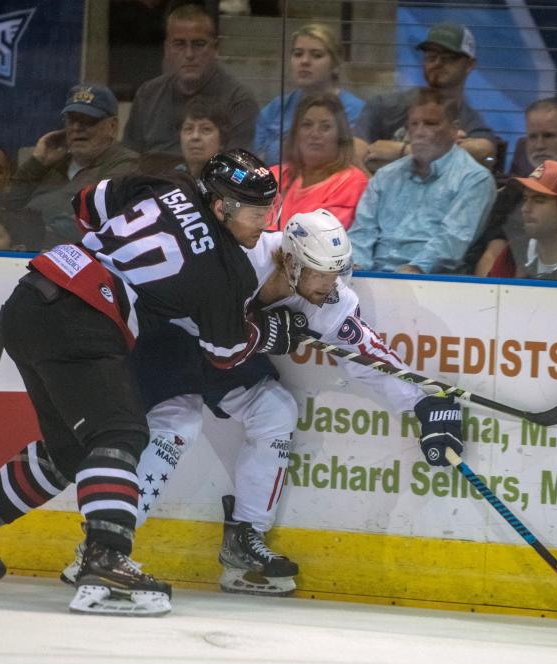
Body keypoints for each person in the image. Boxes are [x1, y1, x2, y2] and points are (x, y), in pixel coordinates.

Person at [0, 149, 312, 617]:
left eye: (270, 209)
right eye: (257, 212)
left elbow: (84, 205)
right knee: (120, 434)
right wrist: (271, 333)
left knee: (71, 448)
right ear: (222, 206)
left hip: (30, 298)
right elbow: (225, 353)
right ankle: (105, 557)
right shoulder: (226, 270)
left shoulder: (168, 185)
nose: (265, 223)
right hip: (81, 318)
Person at [59, 209, 465, 596]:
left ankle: (243, 538)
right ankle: (100, 552)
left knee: (274, 409)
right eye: (321, 274)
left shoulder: (330, 299)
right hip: (167, 339)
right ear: (290, 261)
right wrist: (260, 330)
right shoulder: (243, 255)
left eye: (336, 273)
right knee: (176, 424)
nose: (331, 284)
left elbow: (363, 351)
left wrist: (422, 403)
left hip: (225, 353)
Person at [349, 89, 496, 274]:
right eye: (414, 124)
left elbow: (451, 242)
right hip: (371, 278)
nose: (419, 132)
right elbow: (361, 232)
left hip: (433, 285)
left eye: (430, 124)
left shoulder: (474, 179)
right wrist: (357, 269)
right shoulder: (385, 176)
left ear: (454, 129)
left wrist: (411, 271)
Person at [471, 98, 557, 277]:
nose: (539, 145)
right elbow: (492, 253)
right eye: (532, 136)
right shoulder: (512, 191)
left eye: (548, 136)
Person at [7, 84, 138, 246]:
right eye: (71, 120)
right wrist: (37, 163)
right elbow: (8, 207)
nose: (76, 128)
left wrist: (22, 235)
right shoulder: (52, 164)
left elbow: (88, 220)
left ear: (112, 127)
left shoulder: (125, 164)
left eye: (88, 121)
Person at [354, 23, 497, 172]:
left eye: (448, 58)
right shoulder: (384, 106)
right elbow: (355, 152)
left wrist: (403, 151)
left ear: (469, 65)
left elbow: (485, 153)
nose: (437, 63)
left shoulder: (468, 120)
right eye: (431, 56)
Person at [123, 4, 259, 156]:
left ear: (216, 49)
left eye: (198, 44)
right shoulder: (148, 94)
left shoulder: (239, 101)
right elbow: (129, 160)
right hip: (149, 179)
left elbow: (238, 170)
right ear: (167, 49)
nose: (189, 54)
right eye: (179, 44)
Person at [253, 23, 365, 166]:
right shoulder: (275, 108)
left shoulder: (357, 111)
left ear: (335, 65)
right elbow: (258, 162)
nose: (304, 61)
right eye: (298, 54)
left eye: (316, 55)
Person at [270, 92, 369, 230]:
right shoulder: (274, 175)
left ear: (340, 136)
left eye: (325, 127)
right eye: (307, 125)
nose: (314, 133)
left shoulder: (352, 181)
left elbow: (322, 237)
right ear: (295, 133)